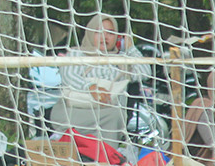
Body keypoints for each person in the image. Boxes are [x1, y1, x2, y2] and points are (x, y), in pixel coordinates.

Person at [50, 13, 151, 150]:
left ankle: (106, 161)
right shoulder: (78, 54)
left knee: (115, 114)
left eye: (110, 32)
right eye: (99, 32)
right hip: (73, 110)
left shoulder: (121, 61)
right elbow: (68, 75)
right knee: (114, 115)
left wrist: (131, 49)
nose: (105, 37)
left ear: (117, 37)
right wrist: (91, 88)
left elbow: (145, 73)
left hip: (107, 113)